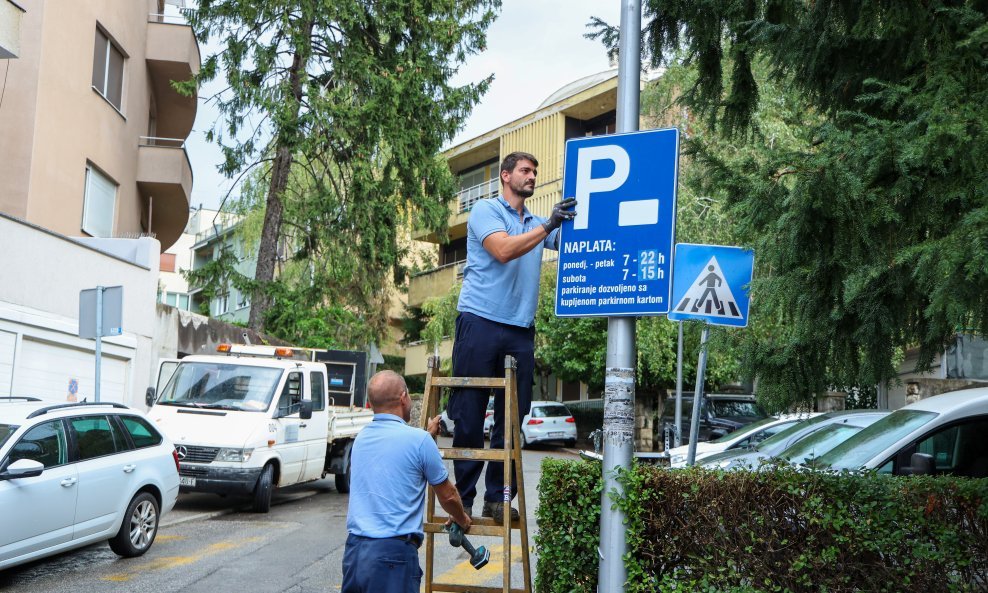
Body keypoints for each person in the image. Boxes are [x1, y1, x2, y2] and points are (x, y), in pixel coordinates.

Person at [449, 151, 576, 522]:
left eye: (535, 171)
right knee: (470, 416)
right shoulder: (486, 212)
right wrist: (549, 225)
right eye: (525, 170)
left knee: (511, 420)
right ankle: (464, 501)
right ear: (506, 176)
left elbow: (572, 244)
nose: (532, 176)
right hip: (480, 320)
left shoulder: (537, 222)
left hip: (520, 328)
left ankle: (499, 499)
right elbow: (503, 250)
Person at [342, 370, 472, 593]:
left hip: (355, 554)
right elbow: (448, 496)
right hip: (392, 556)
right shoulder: (419, 442)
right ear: (403, 398)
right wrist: (461, 518)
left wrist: (428, 435)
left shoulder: (362, 438)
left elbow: (401, 456)